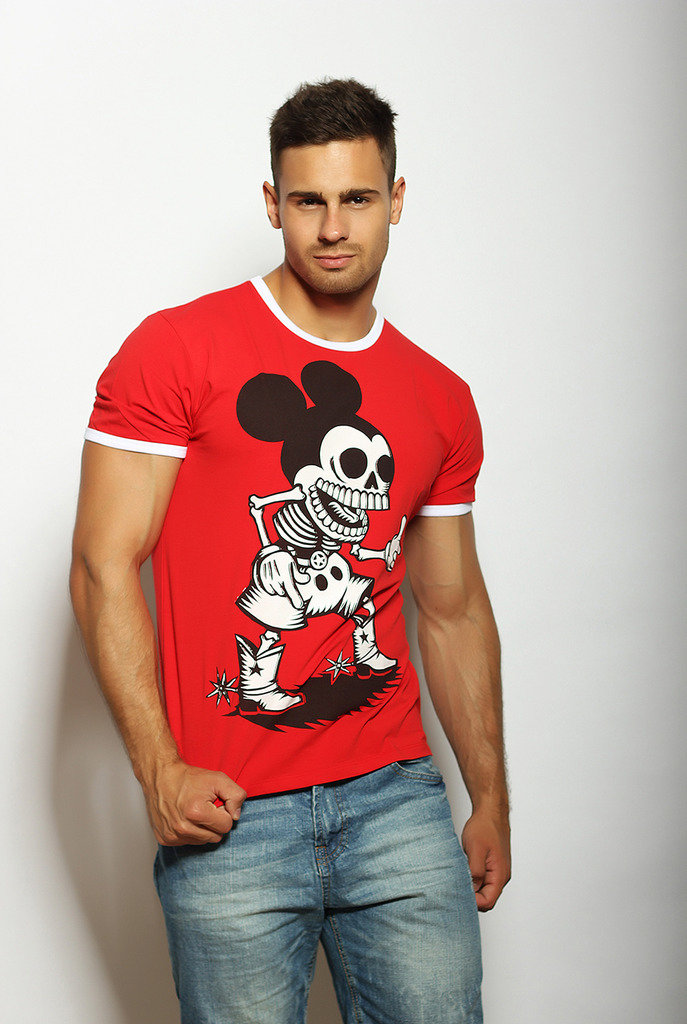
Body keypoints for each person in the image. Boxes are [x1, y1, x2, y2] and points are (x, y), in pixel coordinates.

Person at [69, 78, 510, 1024]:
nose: (333, 228)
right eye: (308, 200)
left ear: (395, 199)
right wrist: (157, 768)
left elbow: (451, 608)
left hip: (396, 805)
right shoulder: (175, 350)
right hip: (231, 814)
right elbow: (103, 566)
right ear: (272, 203)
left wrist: (489, 797)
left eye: (357, 198)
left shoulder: (439, 397)